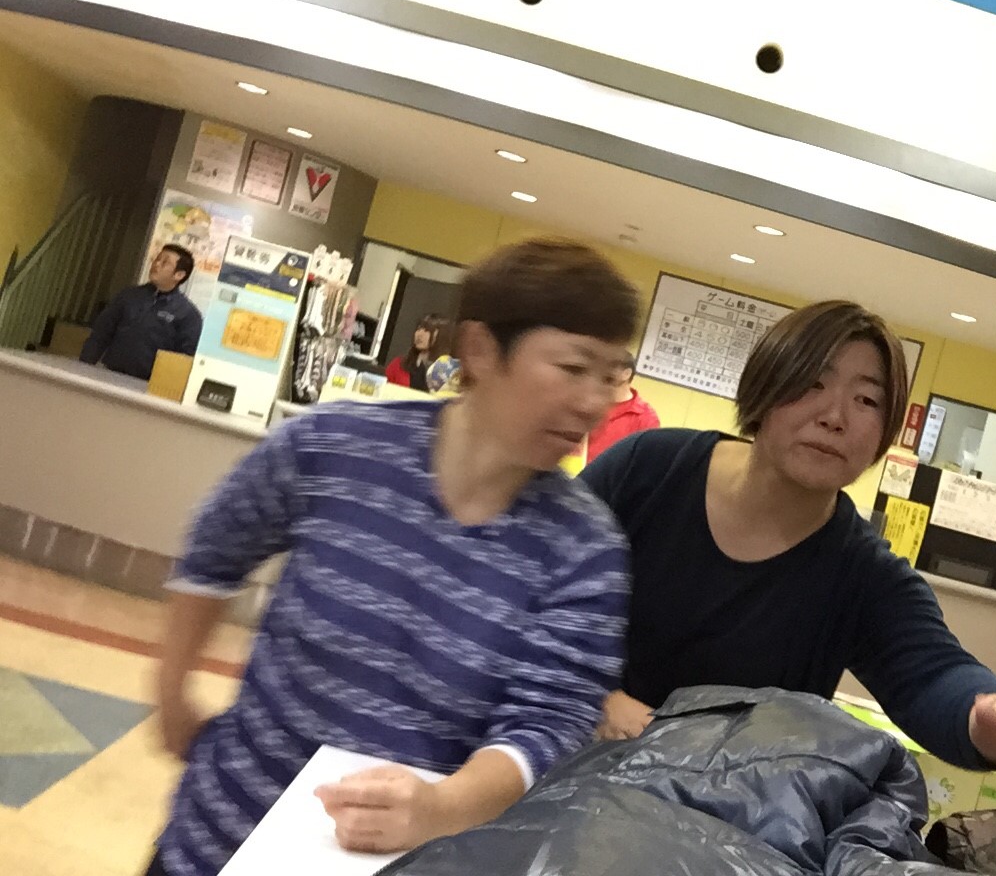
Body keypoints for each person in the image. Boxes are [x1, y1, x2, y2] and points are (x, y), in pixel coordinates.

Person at [146, 237, 641, 876]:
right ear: (481, 349)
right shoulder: (333, 447)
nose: (595, 403)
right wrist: (172, 692)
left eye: (611, 376)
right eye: (573, 368)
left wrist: (439, 808)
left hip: (396, 860)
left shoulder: (586, 549)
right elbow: (216, 550)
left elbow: (547, 723)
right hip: (219, 832)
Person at [581, 300, 996, 770]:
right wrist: (596, 696)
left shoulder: (860, 573)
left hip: (704, 816)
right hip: (558, 752)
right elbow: (541, 578)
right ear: (764, 389)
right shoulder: (649, 469)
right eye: (811, 384)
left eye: (866, 399)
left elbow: (932, 672)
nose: (835, 416)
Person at [79, 243, 202, 379]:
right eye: (157, 259)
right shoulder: (129, 296)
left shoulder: (188, 315)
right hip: (109, 373)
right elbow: (100, 333)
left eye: (164, 262)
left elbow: (183, 359)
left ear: (179, 275)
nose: (156, 264)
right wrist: (84, 367)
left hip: (148, 384)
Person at [584, 353, 660, 463]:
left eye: (611, 366)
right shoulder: (588, 400)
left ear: (627, 374)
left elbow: (643, 459)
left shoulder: (645, 417)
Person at [385, 313, 457, 393]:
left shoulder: (448, 372)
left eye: (427, 330)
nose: (420, 334)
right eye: (418, 329)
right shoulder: (398, 364)